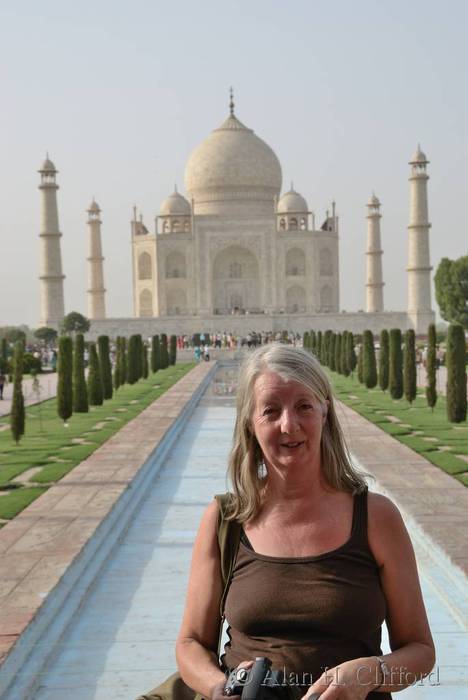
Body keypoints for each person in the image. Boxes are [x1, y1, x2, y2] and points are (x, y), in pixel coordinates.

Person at [176, 344, 435, 700]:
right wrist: (220, 687)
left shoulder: (375, 517)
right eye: (271, 410)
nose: (289, 425)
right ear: (250, 423)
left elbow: (420, 652)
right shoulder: (227, 520)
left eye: (303, 406)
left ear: (324, 411)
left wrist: (369, 673)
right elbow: (191, 643)